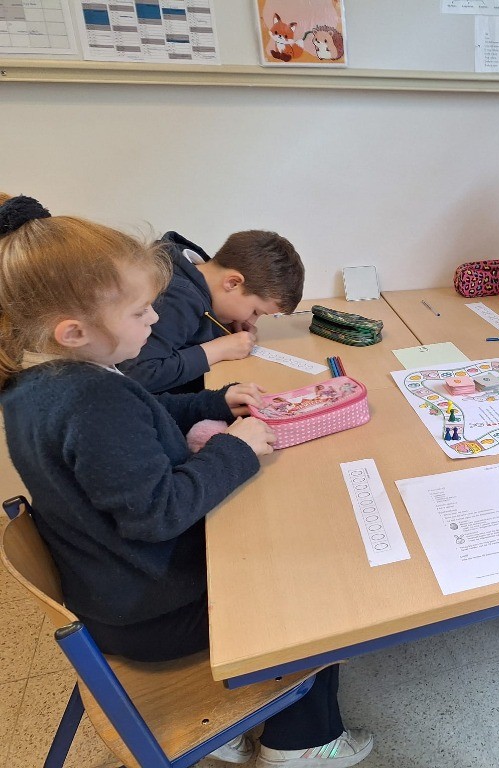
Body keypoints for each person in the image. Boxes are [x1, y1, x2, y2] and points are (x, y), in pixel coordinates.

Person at [0, 195, 373, 767]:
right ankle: (301, 743)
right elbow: (157, 513)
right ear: (73, 331)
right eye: (140, 313)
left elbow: (143, 414)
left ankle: (247, 731)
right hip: (154, 612)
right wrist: (235, 449)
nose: (155, 321)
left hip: (114, 587)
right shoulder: (91, 401)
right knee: (313, 591)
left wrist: (216, 401)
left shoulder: (48, 382)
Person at [120, 229, 305, 394]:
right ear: (233, 283)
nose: (251, 321)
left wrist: (223, 325)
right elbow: (139, 374)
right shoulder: (177, 299)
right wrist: (218, 350)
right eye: (255, 311)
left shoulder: (196, 272)